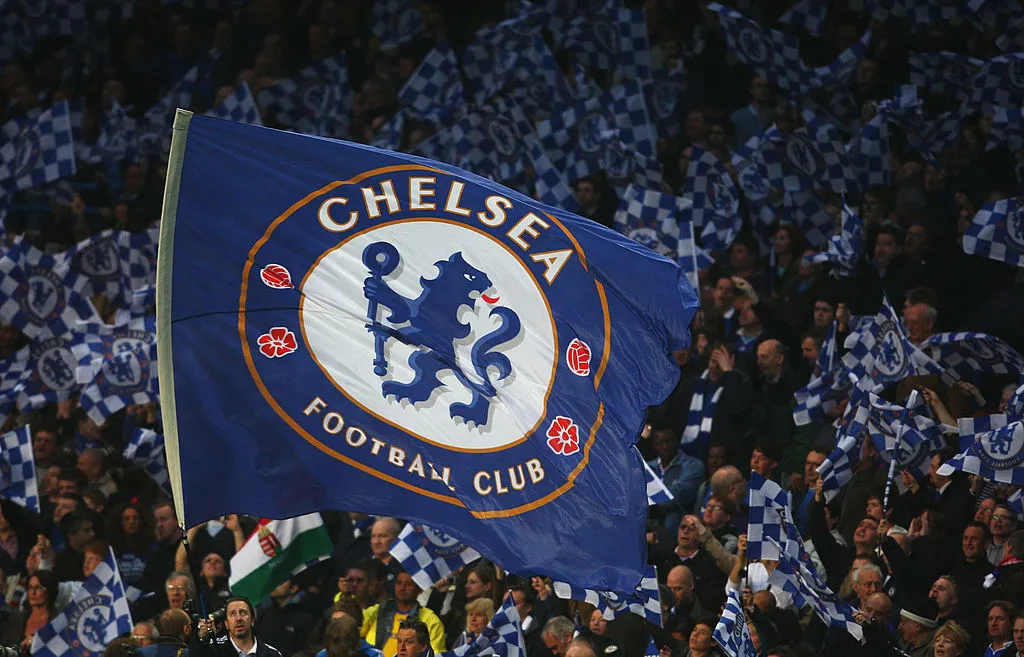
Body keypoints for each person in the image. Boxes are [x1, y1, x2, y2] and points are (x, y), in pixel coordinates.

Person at [362, 570, 445, 654]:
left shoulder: (431, 620)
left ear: (420, 589)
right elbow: (355, 631)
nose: (402, 588)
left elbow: (435, 654)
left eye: (408, 584)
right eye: (399, 583)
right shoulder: (378, 611)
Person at [196, 596, 282, 657]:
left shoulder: (271, 654)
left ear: (252, 620)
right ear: (226, 624)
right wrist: (202, 637)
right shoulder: (212, 650)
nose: (238, 618)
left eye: (243, 612)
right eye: (232, 614)